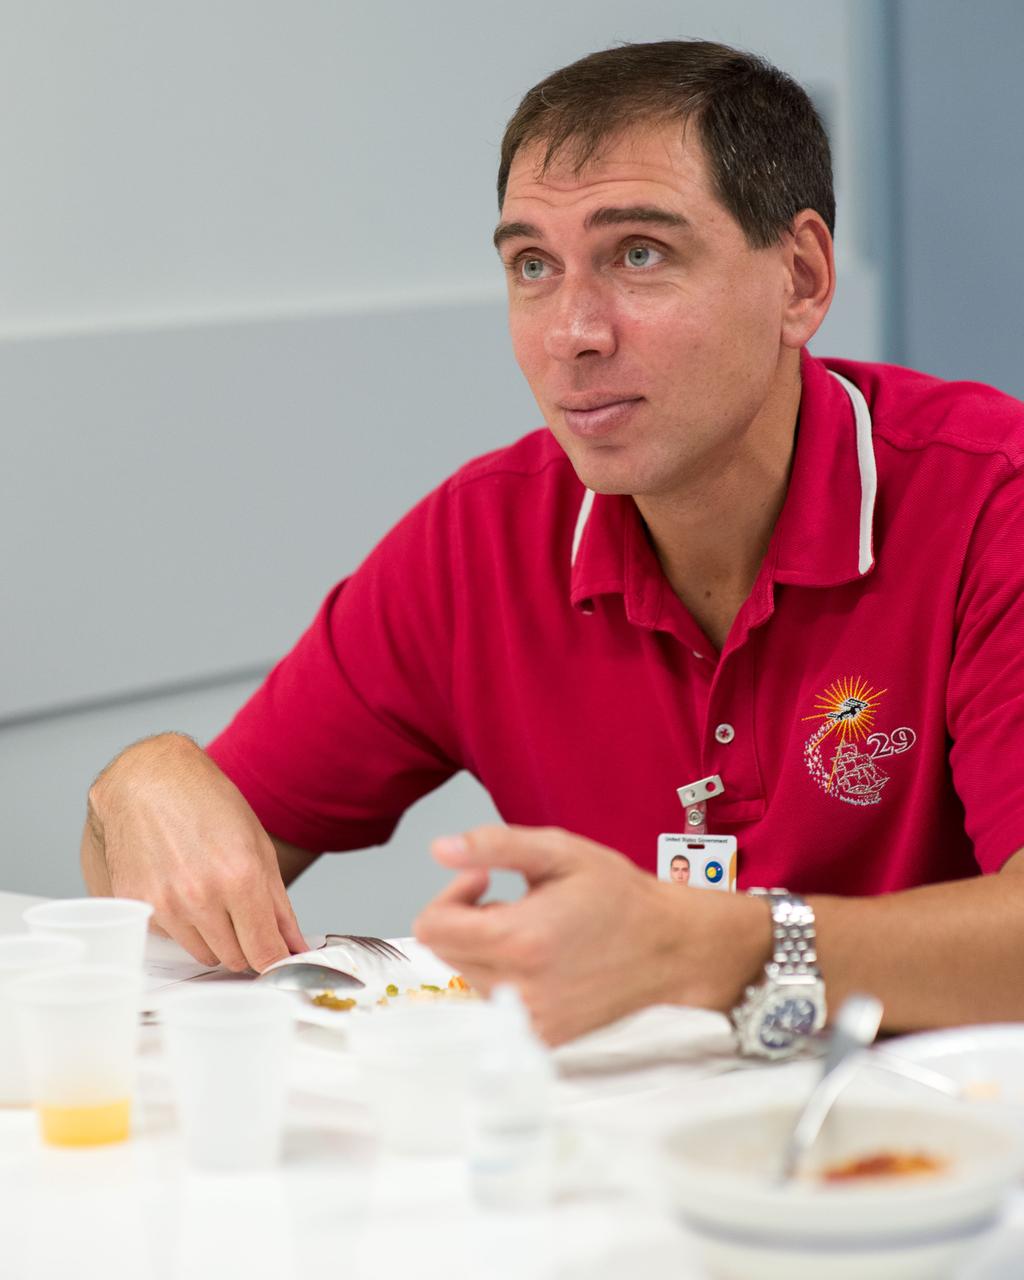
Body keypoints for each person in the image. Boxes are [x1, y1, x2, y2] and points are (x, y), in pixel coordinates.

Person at [83, 40, 1024, 1049]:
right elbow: (184, 864)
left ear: (798, 277)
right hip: (617, 1160)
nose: (572, 331)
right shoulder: (476, 540)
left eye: (639, 254)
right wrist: (138, 780)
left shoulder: (987, 498)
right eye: (533, 265)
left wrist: (711, 951)